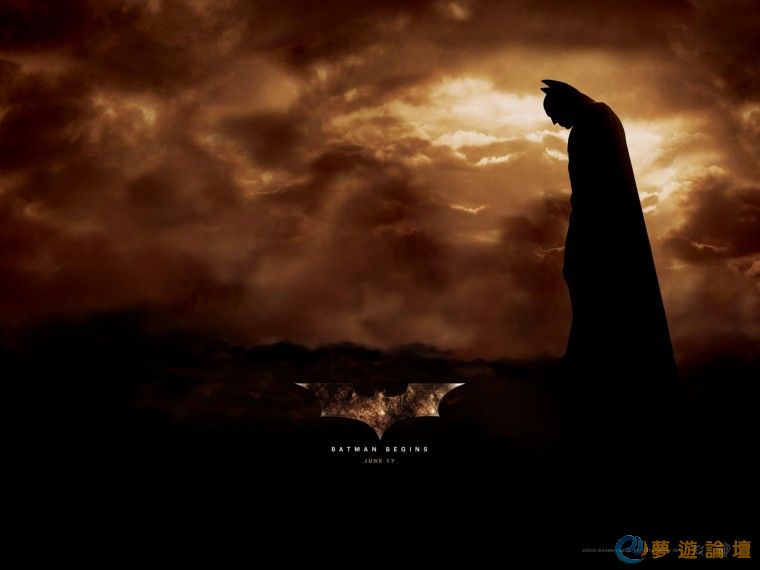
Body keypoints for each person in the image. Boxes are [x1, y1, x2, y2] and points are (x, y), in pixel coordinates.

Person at [540, 80, 677, 411]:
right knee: (591, 285)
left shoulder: (590, 121)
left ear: (566, 102)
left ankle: (590, 364)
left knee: (586, 281)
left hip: (598, 224)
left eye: (554, 114)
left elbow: (589, 184)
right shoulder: (603, 116)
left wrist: (582, 224)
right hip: (609, 222)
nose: (555, 122)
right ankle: (590, 360)